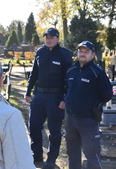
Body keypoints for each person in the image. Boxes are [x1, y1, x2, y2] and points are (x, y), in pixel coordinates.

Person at [25, 28, 73, 169]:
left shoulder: (64, 54)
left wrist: (65, 98)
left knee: (54, 130)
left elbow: (69, 79)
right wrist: (28, 92)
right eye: (47, 37)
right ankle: (37, 156)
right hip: (39, 95)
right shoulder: (40, 52)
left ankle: (51, 159)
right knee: (34, 127)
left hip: (55, 96)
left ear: (57, 38)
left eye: (52, 37)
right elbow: (34, 74)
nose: (49, 40)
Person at [64, 41, 113, 169]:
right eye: (81, 51)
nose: (83, 54)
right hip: (71, 119)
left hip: (88, 120)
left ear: (93, 55)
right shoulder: (71, 70)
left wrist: (92, 104)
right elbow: (68, 89)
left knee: (92, 156)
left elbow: (107, 94)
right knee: (72, 154)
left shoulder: (97, 72)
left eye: (86, 52)